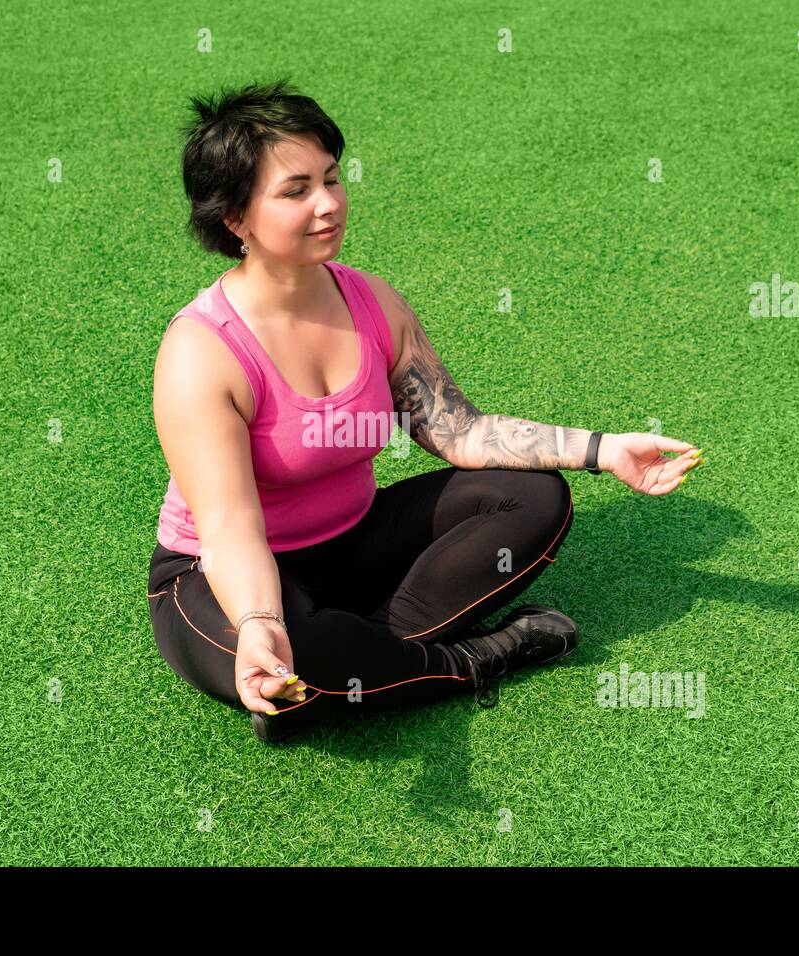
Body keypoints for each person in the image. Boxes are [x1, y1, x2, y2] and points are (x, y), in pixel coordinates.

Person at [148, 79, 706, 743]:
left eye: (332, 178)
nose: (328, 204)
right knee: (293, 654)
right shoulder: (201, 353)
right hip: (218, 579)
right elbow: (232, 527)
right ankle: (473, 658)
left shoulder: (372, 302)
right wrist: (262, 628)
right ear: (235, 218)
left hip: (350, 547)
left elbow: (461, 431)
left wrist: (603, 448)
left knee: (532, 497)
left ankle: (348, 670)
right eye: (296, 190)